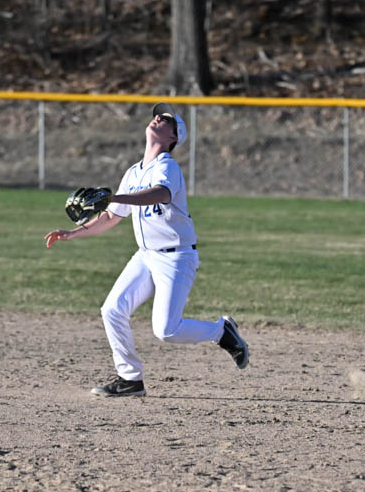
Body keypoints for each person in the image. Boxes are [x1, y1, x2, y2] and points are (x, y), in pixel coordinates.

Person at [45, 102, 249, 396]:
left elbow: (160, 194)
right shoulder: (133, 172)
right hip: (146, 255)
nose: (157, 118)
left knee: (166, 331)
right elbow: (111, 216)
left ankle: (221, 331)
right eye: (156, 116)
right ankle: (130, 379)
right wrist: (72, 234)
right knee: (112, 310)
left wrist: (115, 197)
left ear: (173, 137)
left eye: (165, 119)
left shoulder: (167, 166)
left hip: (176, 257)